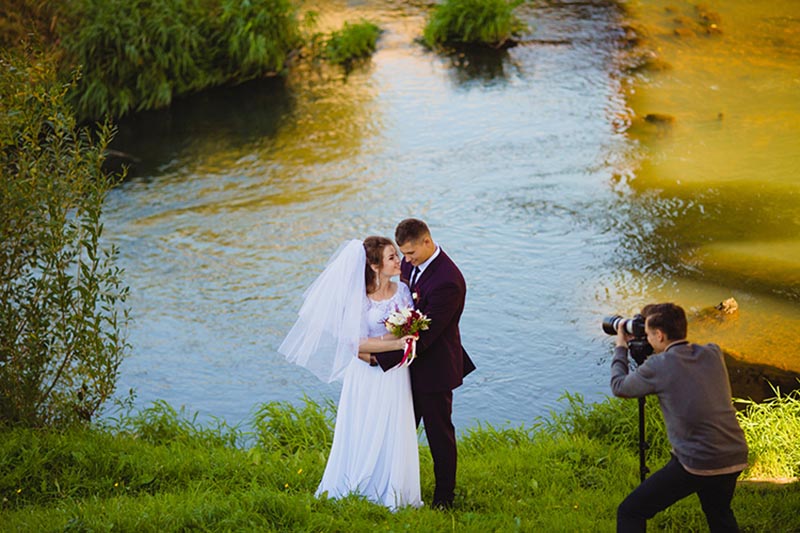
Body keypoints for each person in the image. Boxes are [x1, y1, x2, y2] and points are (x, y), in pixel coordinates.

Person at [279, 237, 422, 510]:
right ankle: (358, 481)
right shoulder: (359, 298)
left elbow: (409, 327)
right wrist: (396, 343)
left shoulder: (403, 291)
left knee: (393, 425)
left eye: (397, 256)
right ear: (374, 265)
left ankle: (394, 489)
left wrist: (401, 339)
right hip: (366, 375)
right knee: (364, 423)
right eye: (392, 257)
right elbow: (354, 342)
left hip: (394, 374)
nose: (398, 261)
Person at [610, 302, 749, 533]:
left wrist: (621, 347)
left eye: (647, 334)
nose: (646, 337)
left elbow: (619, 386)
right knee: (719, 513)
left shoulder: (658, 365)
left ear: (660, 335)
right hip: (734, 453)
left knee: (630, 511)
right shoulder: (713, 353)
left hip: (697, 461)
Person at [371, 218, 476, 510]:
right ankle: (393, 488)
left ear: (427, 242)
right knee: (401, 429)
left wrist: (378, 357)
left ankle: (444, 498)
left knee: (439, 435)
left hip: (435, 370)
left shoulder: (448, 281)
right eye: (402, 254)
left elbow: (425, 334)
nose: (405, 261)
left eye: (410, 254)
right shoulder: (414, 265)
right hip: (410, 367)